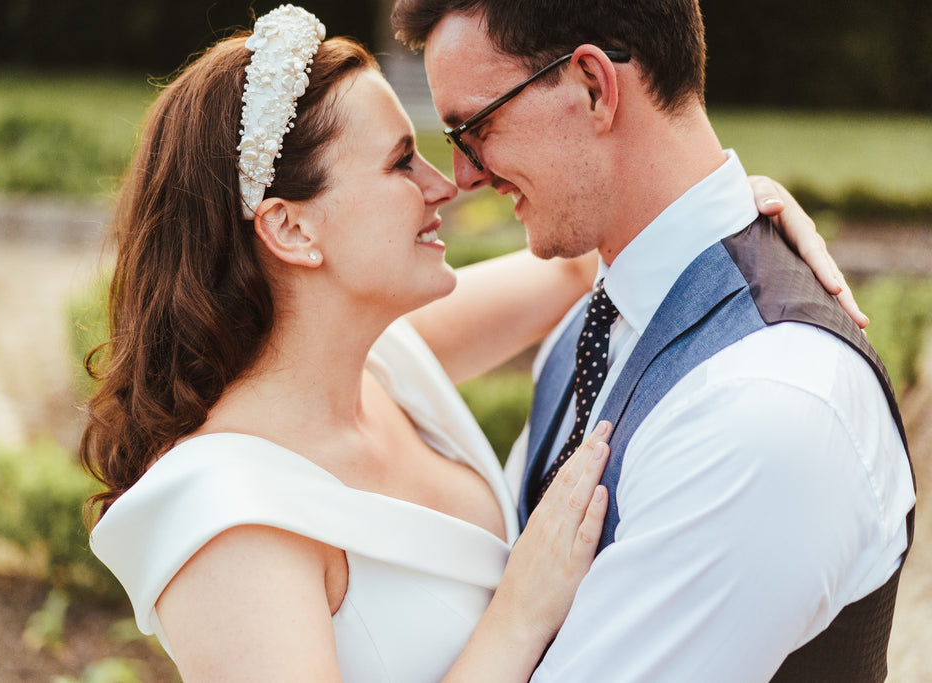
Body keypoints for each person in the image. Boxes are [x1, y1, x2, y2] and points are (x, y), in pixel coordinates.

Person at [83, 5, 865, 682]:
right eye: (400, 161)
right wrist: (516, 618)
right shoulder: (227, 519)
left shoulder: (378, 366)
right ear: (292, 227)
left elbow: (610, 237)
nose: (445, 182)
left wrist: (743, 207)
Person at [392, 0, 916, 681]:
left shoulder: (765, 411)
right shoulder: (591, 318)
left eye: (475, 127)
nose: (463, 175)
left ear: (591, 87)